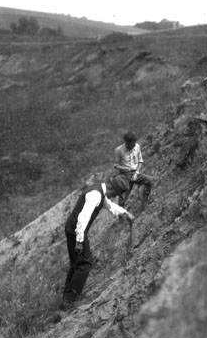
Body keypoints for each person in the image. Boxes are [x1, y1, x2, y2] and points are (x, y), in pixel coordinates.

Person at [61, 178, 134, 310]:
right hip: (76, 230)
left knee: (77, 263)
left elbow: (109, 205)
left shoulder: (99, 192)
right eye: (116, 194)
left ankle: (66, 299)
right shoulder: (95, 195)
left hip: (73, 228)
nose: (115, 196)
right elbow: (83, 217)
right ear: (112, 188)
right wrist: (79, 241)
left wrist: (125, 212)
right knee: (85, 264)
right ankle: (69, 302)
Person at [113, 131, 153, 208]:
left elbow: (140, 161)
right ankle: (120, 216)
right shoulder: (119, 150)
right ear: (127, 142)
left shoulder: (137, 147)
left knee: (149, 181)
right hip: (125, 176)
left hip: (135, 173)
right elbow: (115, 165)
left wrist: (136, 173)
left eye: (135, 142)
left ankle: (145, 202)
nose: (134, 144)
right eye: (132, 143)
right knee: (123, 199)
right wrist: (125, 168)